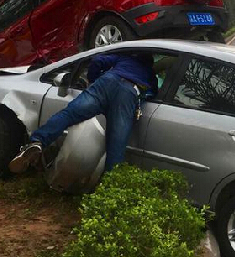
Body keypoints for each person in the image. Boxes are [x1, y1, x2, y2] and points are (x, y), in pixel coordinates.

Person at [9, 53, 158, 173]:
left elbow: (98, 60)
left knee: (69, 114)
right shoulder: (151, 75)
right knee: (116, 143)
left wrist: (94, 80)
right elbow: (152, 94)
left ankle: (38, 141)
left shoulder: (124, 57)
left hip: (107, 82)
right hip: (129, 93)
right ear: (150, 64)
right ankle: (108, 189)